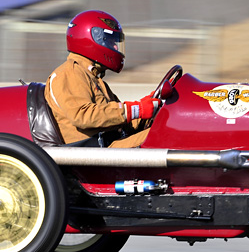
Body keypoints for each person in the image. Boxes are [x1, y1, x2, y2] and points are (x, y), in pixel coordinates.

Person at [45, 10, 162, 148]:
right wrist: (136, 109)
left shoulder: (95, 78)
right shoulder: (69, 73)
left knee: (168, 128)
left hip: (110, 144)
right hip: (96, 152)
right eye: (109, 41)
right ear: (91, 39)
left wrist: (149, 107)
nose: (114, 47)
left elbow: (121, 121)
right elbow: (83, 116)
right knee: (166, 134)